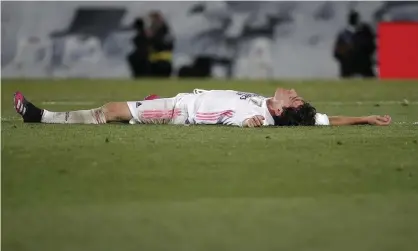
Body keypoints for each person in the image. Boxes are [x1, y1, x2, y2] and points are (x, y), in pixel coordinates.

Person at [13, 88, 391, 127]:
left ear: (278, 111)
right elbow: (324, 120)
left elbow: (243, 120)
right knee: (134, 106)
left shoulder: (257, 114)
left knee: (111, 109)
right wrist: (365, 118)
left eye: (292, 98)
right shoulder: (279, 109)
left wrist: (250, 125)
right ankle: (143, 113)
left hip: (182, 110)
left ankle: (39, 117)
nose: (292, 92)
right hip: (184, 100)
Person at [333, 10, 376, 78]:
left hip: (363, 64)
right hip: (350, 66)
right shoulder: (344, 35)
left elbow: (371, 47)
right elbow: (337, 53)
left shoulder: (364, 32)